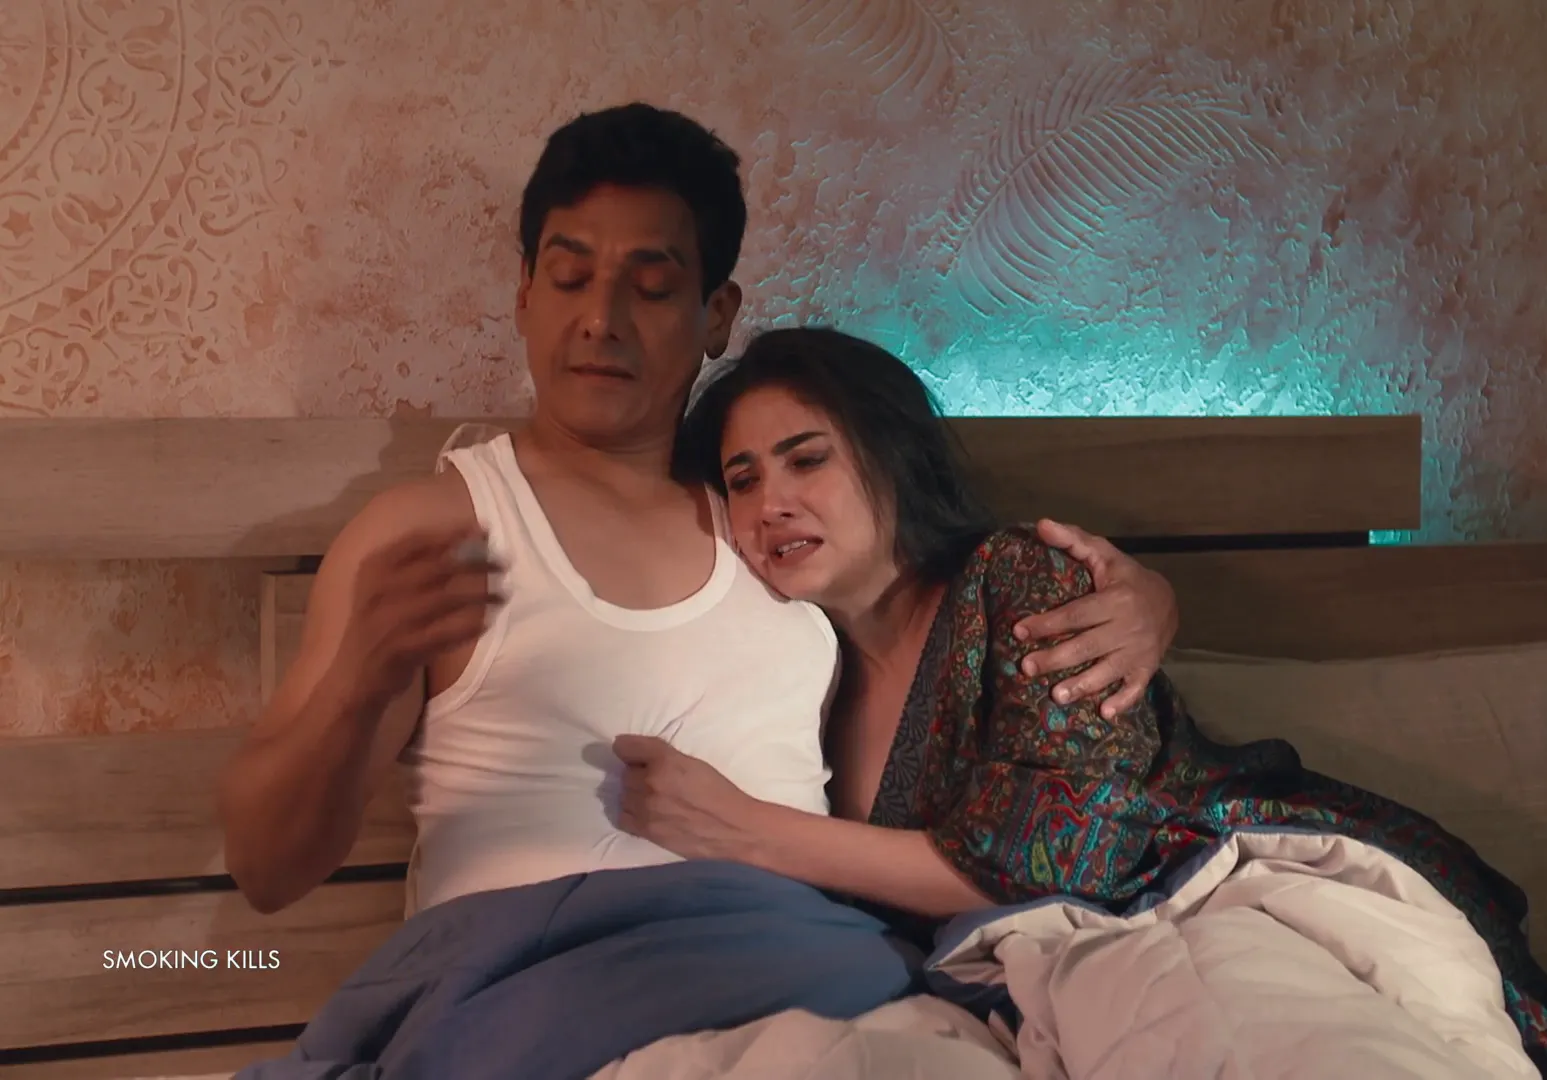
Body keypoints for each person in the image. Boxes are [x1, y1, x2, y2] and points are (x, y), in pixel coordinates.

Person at [215, 103, 1179, 917]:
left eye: (651, 286)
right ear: (524, 295)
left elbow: (949, 621)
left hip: (823, 984)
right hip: (535, 988)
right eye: (569, 277)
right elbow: (266, 872)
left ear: (715, 315)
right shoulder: (433, 531)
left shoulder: (769, 530)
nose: (601, 319)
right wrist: (357, 682)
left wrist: (1148, 602)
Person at [624, 325, 1547, 1080]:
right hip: (1010, 979)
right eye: (741, 479)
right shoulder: (794, 675)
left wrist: (747, 831)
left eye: (806, 459)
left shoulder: (1021, 580)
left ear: (889, 456)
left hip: (1189, 890)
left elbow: (1053, 859)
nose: (771, 503)